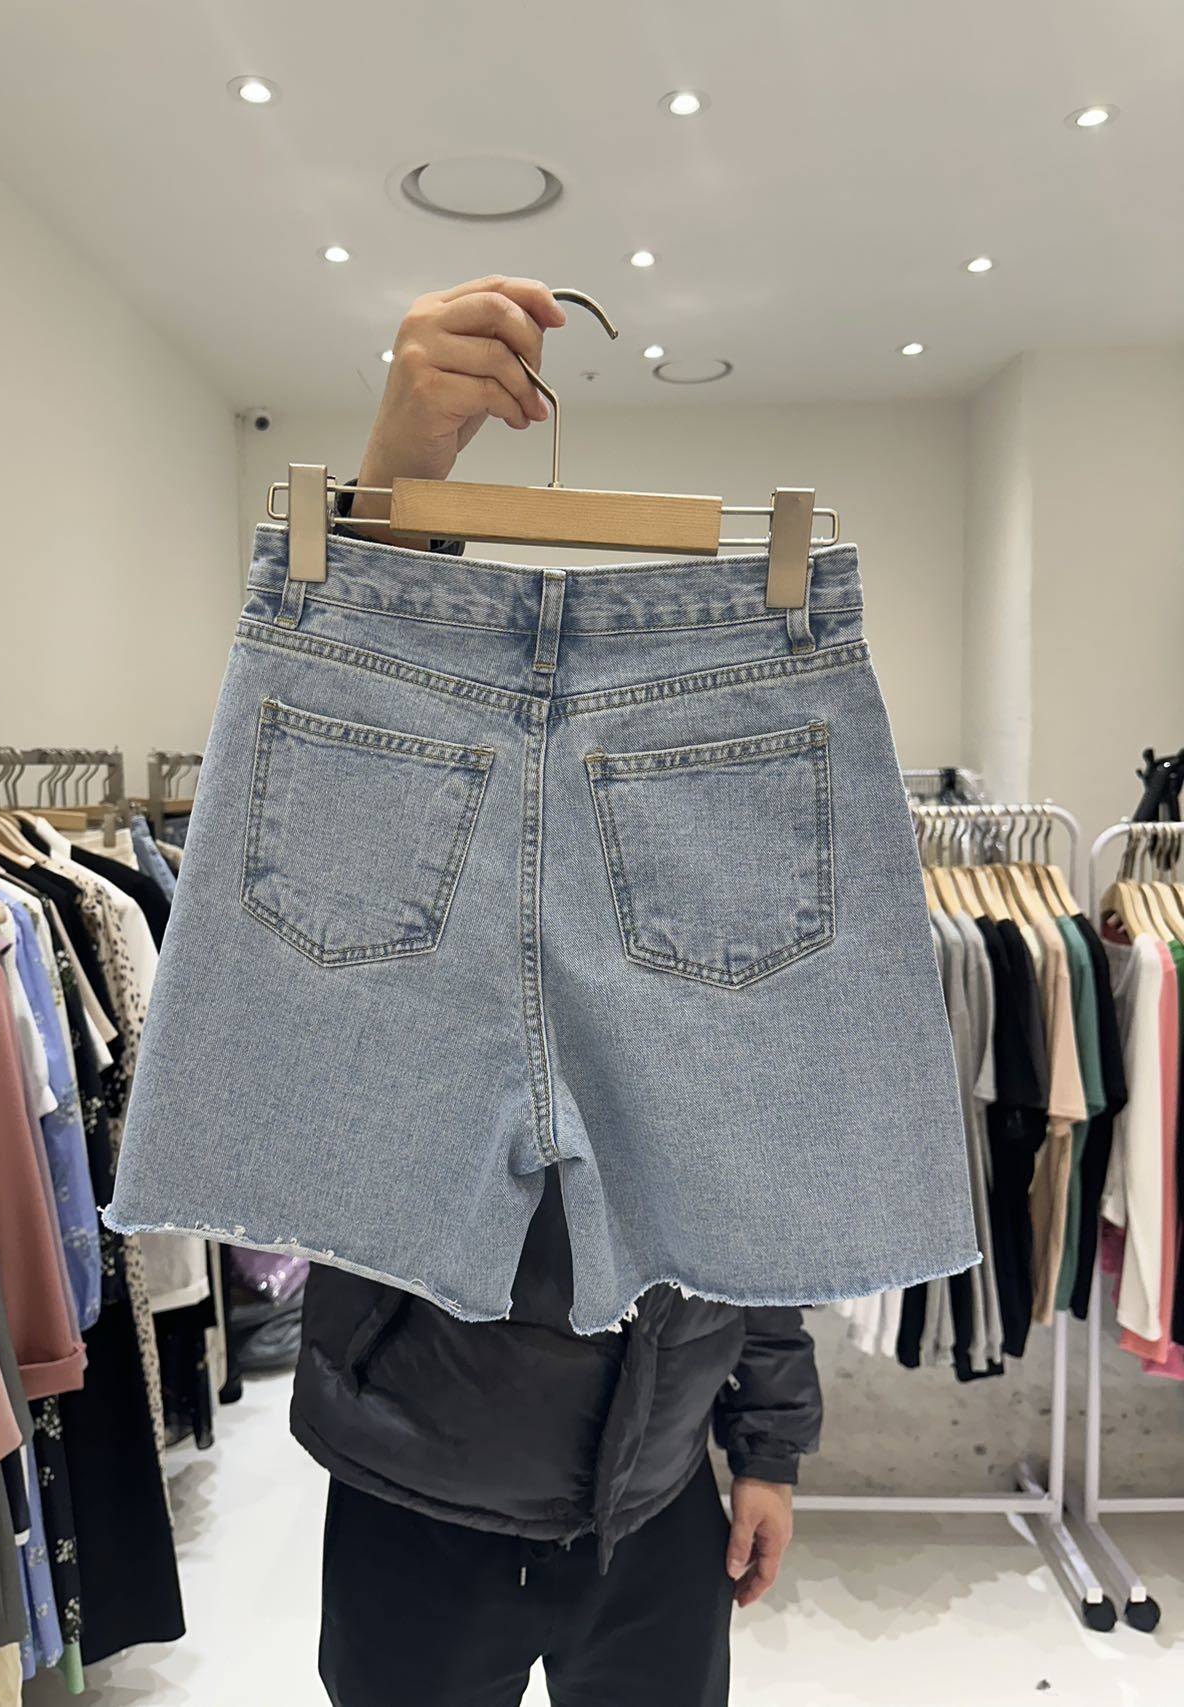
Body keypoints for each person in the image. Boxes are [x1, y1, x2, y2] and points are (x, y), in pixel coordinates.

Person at [288, 276, 823, 1707]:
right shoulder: (433, 867)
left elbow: (752, 1194)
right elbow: (347, 768)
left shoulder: (717, 883)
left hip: (653, 1498)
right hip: (415, 1484)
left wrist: (767, 1446)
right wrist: (399, 479)